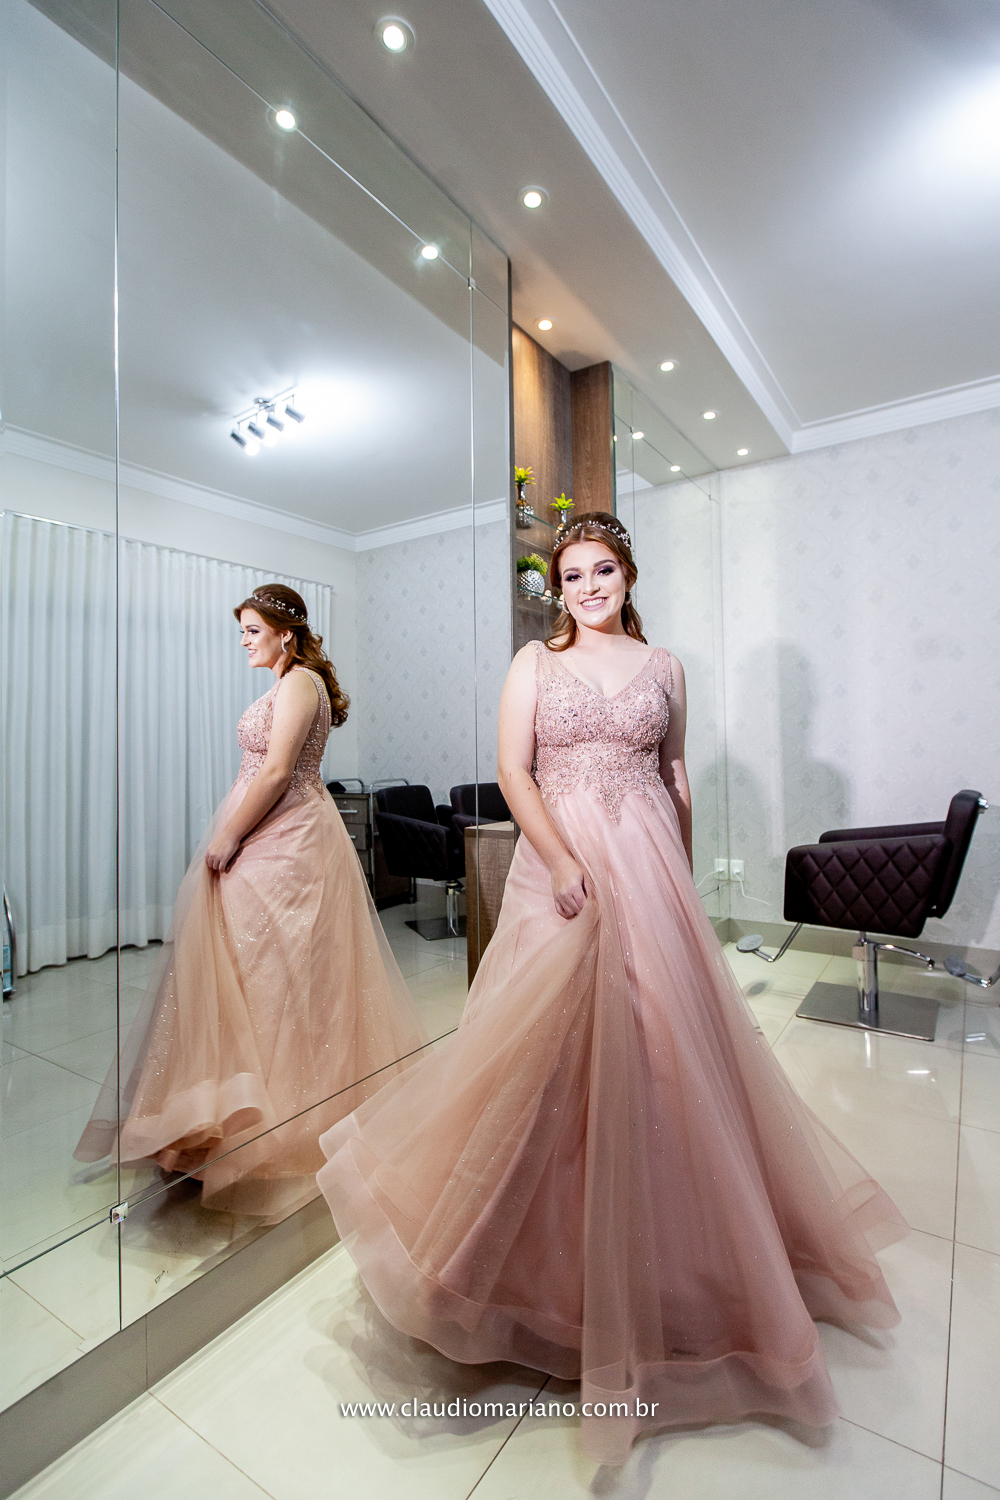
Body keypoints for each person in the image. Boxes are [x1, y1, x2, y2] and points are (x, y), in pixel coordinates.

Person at [317, 514, 907, 1464]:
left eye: (602, 570)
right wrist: (558, 860)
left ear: (629, 574)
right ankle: (505, 1260)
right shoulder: (533, 664)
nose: (587, 587)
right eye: (571, 575)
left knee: (665, 1051)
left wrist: (679, 877)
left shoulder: (665, 667)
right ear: (557, 588)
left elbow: (674, 773)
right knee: (542, 1052)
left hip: (648, 867)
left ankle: (678, 1267)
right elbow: (512, 770)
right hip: (564, 866)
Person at [77, 585, 426, 1222]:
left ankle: (270, 1123)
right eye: (241, 630)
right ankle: (224, 1114)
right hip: (276, 831)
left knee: (270, 974)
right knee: (251, 972)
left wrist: (229, 834)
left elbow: (275, 771)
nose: (243, 641)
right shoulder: (288, 683)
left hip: (285, 839)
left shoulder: (300, 684)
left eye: (252, 630)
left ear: (285, 633)